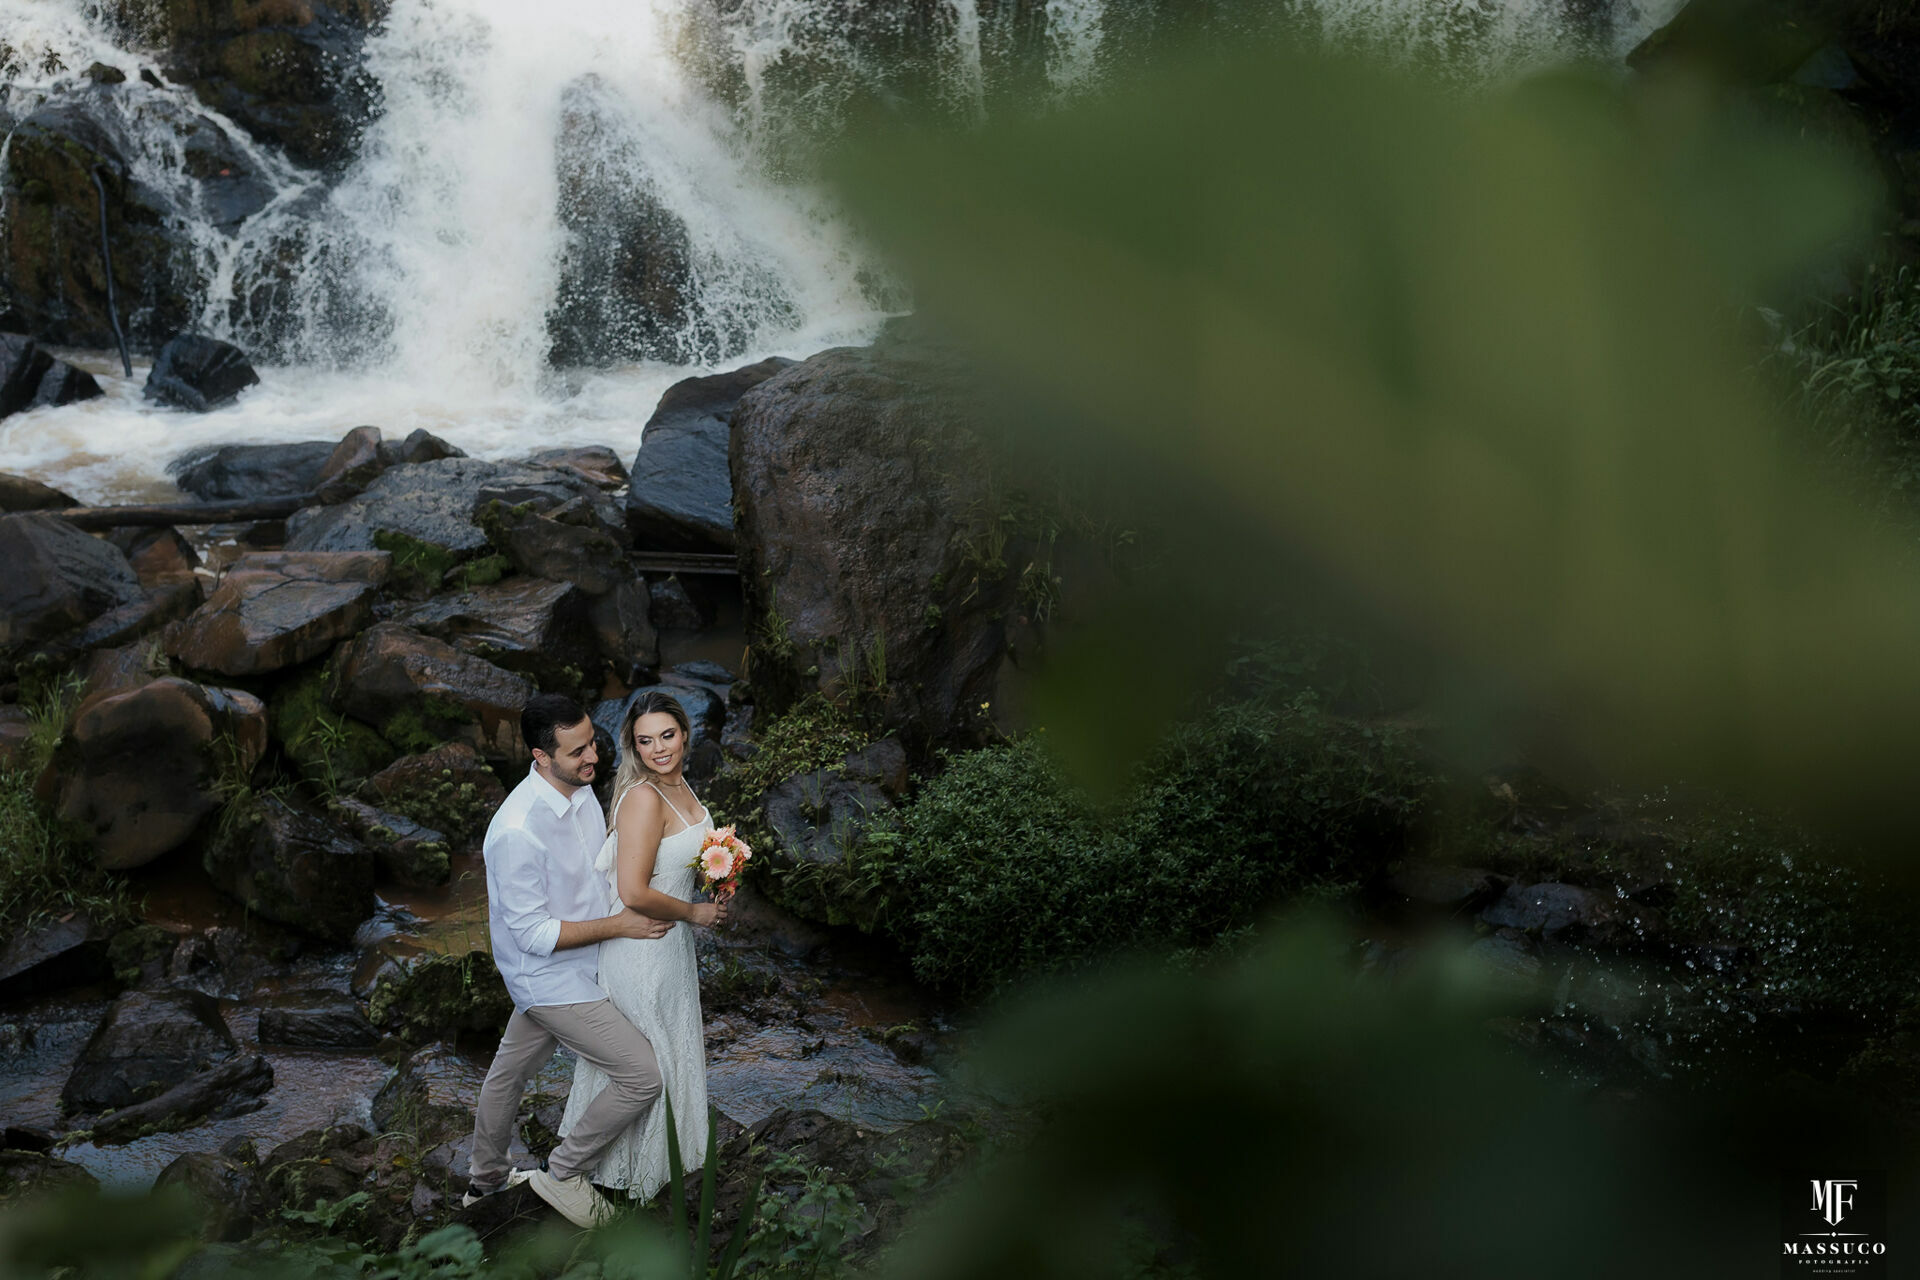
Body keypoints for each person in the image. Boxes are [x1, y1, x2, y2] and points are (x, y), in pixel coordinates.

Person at [466, 692, 675, 1229]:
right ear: (540, 756)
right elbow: (534, 934)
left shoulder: (580, 792)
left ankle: (483, 1182)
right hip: (551, 980)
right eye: (577, 751)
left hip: (594, 961)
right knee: (641, 1076)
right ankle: (561, 1173)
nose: (593, 758)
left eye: (592, 743)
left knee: (509, 1073)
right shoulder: (516, 831)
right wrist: (624, 925)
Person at [559, 689, 728, 1200]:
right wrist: (695, 911)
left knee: (673, 1050)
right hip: (643, 949)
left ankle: (666, 1166)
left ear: (685, 732)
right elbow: (632, 891)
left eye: (668, 736)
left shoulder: (682, 788)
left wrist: (719, 875)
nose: (659, 749)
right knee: (649, 1060)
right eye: (645, 741)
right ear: (634, 747)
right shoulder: (643, 798)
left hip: (670, 950)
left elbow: (683, 858)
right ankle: (619, 1178)